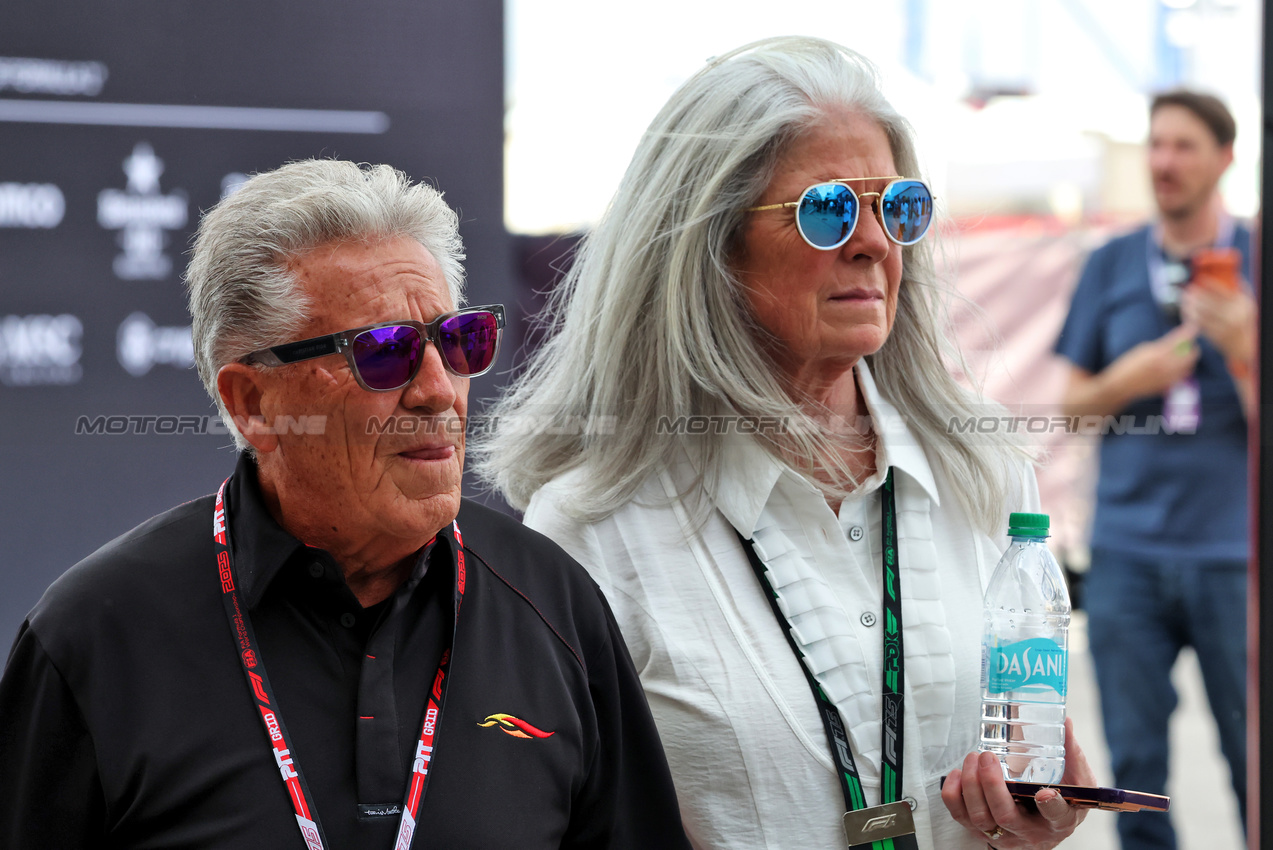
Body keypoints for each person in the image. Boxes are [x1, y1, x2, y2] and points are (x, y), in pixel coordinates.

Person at [479, 37, 1095, 849]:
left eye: (896, 206)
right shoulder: (593, 526)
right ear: (710, 247)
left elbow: (1023, 763)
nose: (873, 241)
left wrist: (1033, 818)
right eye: (827, 209)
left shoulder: (984, 470)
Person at [0, 160, 690, 849]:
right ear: (254, 404)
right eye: (385, 352)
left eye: (459, 340)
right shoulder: (94, 640)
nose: (439, 391)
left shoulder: (554, 603)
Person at [1054, 90, 1252, 849]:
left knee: (1253, 761)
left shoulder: (1257, 260)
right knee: (1134, 778)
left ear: (1225, 157)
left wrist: (1246, 347)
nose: (1164, 162)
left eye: (1184, 146)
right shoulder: (1110, 262)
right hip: (1126, 556)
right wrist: (1126, 380)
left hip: (1235, 556)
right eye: (1156, 144)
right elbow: (1072, 410)